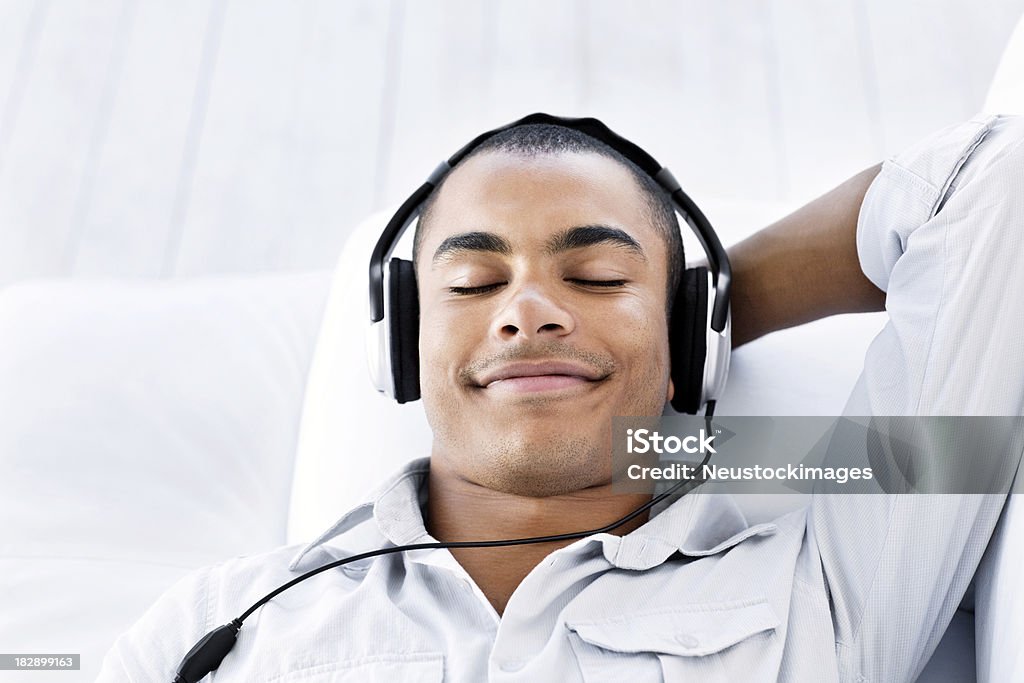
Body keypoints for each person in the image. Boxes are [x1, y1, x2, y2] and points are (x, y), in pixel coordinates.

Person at [98, 114, 1024, 682]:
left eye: (593, 276)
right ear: (403, 344)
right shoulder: (219, 624)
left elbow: (996, 181)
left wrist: (702, 316)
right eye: (470, 284)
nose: (529, 312)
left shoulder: (823, 588)